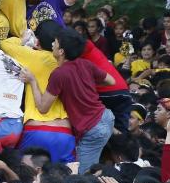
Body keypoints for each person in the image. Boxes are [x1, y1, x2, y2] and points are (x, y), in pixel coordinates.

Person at [20, 27, 116, 173]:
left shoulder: (59, 74)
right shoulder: (85, 64)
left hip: (92, 128)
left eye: (56, 43)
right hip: (106, 117)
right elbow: (111, 81)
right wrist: (85, 83)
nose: (52, 45)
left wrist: (32, 80)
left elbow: (43, 108)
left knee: (83, 175)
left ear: (61, 52)